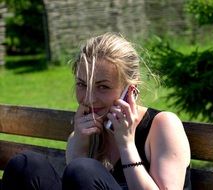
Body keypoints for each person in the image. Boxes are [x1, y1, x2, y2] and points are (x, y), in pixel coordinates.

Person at [2, 32, 191, 190]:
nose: (89, 98)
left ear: (130, 90)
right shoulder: (86, 130)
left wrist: (126, 145)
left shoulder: (163, 125)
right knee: (25, 164)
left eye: (103, 87)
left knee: (83, 170)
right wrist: (80, 143)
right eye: (82, 85)